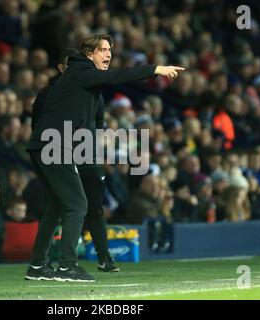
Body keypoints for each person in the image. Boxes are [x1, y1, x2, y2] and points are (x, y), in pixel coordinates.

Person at [26, 33, 184, 282]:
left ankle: (37, 267)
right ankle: (67, 266)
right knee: (78, 204)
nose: (108, 54)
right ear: (89, 54)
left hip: (50, 145)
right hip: (54, 145)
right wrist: (156, 69)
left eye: (109, 49)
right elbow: (116, 76)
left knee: (56, 208)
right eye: (102, 49)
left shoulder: (80, 78)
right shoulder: (81, 71)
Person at [32, 47, 120, 273]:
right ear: (61, 68)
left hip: (82, 153)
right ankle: (66, 265)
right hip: (57, 149)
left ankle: (102, 258)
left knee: (83, 206)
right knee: (76, 205)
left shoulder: (91, 89)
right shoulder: (51, 92)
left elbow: (97, 124)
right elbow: (41, 125)